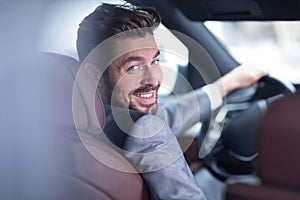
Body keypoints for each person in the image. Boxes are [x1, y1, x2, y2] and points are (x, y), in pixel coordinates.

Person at [76, 3, 269, 200]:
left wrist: (226, 85)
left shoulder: (79, 121)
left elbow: (165, 116)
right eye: (133, 67)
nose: (153, 80)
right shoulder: (144, 129)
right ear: (94, 75)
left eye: (155, 62)